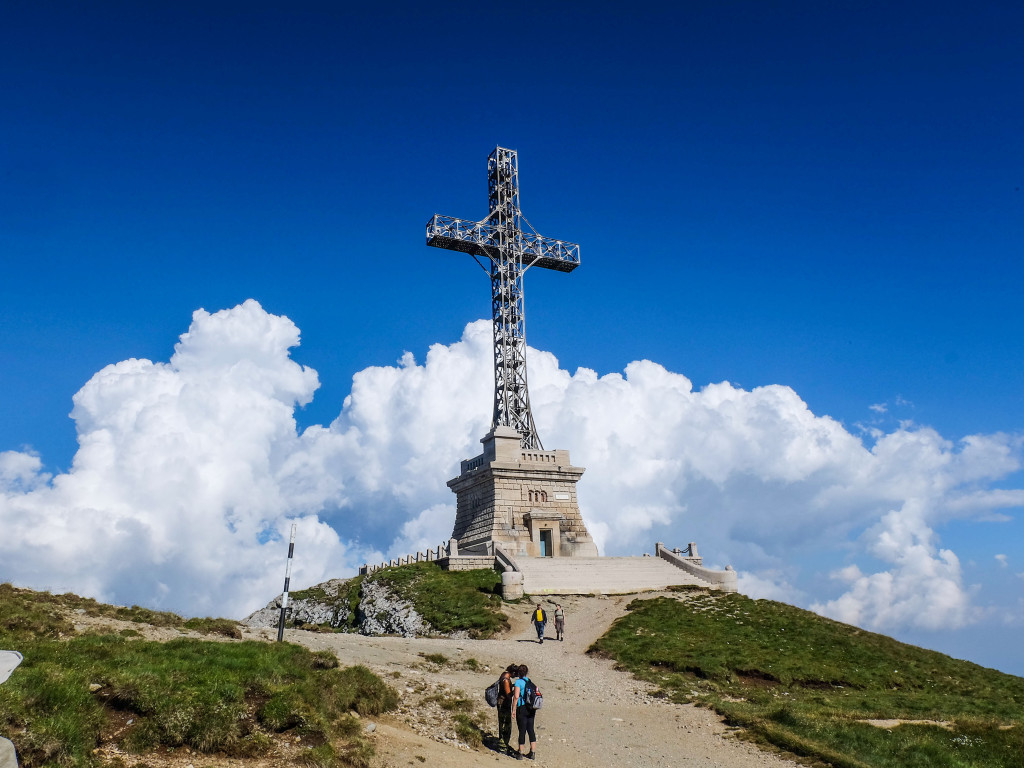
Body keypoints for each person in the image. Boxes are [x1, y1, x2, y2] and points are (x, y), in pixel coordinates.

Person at [510, 663, 537, 760]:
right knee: (531, 729)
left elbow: (516, 696)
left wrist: (513, 709)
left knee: (522, 730)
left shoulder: (518, 682)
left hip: (522, 708)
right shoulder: (529, 681)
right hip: (531, 708)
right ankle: (532, 752)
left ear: (518, 673)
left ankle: (520, 753)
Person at [496, 663, 517, 755]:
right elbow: (508, 695)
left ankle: (503, 745)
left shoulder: (504, 675)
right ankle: (503, 746)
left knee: (503, 724)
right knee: (505, 724)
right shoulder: (506, 680)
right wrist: (515, 690)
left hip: (501, 702)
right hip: (503, 703)